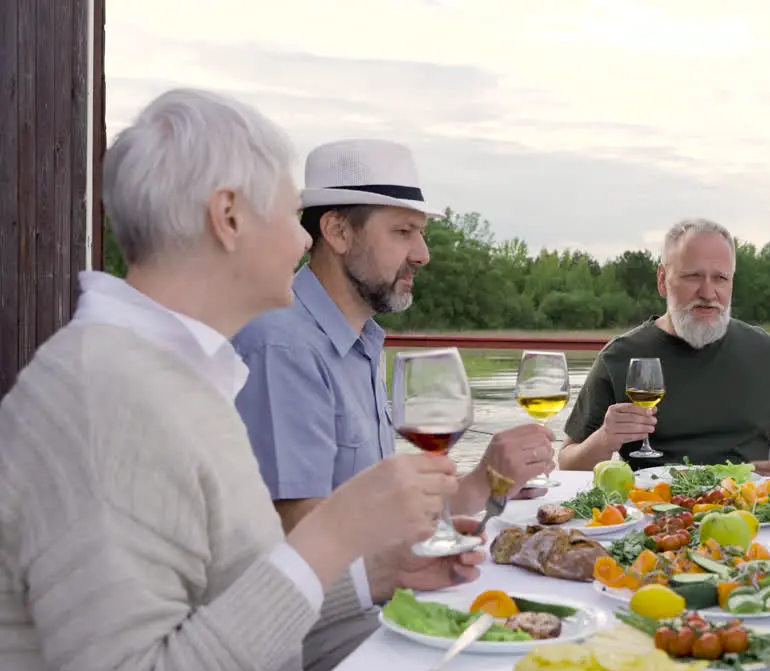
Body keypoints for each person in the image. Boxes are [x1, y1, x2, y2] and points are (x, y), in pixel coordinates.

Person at [0, 89, 461, 671]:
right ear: (229, 216)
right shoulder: (100, 397)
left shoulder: (179, 375)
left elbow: (228, 603)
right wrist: (334, 535)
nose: (302, 241)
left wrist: (371, 576)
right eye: (287, 209)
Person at [231, 139, 555, 544]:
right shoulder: (283, 346)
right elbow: (299, 535)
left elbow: (374, 515)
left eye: (420, 233)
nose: (423, 254)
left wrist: (486, 482)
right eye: (404, 231)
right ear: (337, 231)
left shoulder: (359, 341)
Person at [557, 218, 770, 470]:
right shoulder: (620, 357)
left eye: (720, 278)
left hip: (749, 510)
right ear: (662, 280)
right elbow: (568, 463)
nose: (707, 293)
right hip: (652, 510)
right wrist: (604, 440)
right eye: (693, 276)